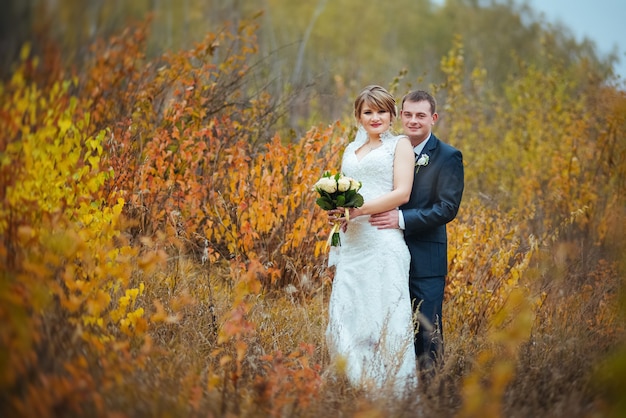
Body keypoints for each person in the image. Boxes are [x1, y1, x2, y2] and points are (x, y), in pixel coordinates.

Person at [325, 85, 417, 395]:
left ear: (392, 115)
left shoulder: (400, 145)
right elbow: (342, 190)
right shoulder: (351, 150)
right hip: (353, 243)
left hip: (382, 242)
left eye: (381, 111)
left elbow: (402, 193)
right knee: (346, 314)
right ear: (358, 116)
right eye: (368, 112)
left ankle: (391, 393)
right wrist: (338, 212)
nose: (374, 117)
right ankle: (356, 388)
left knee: (384, 319)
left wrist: (359, 210)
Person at [369, 90, 464, 377]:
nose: (413, 121)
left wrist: (400, 218)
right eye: (408, 114)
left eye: (420, 115)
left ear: (433, 118)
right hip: (385, 252)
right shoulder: (388, 150)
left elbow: (446, 208)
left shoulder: (447, 157)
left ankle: (432, 391)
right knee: (391, 325)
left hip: (426, 259)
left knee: (427, 329)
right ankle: (397, 383)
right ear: (401, 116)